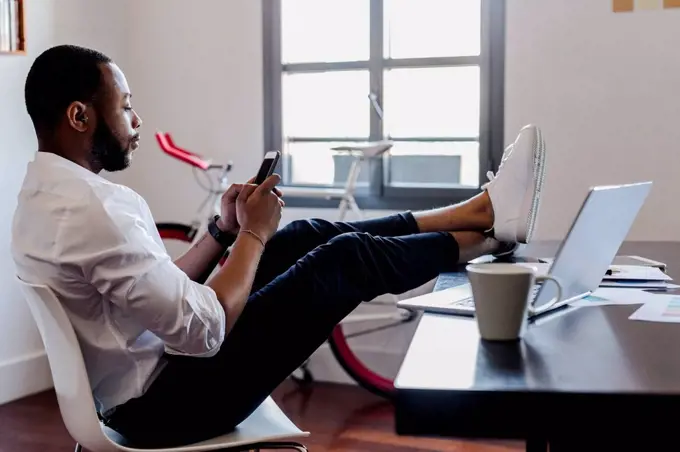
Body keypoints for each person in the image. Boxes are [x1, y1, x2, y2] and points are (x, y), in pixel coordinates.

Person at [11, 45, 546, 447]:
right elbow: (204, 329)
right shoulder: (95, 209)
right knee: (340, 260)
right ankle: (485, 235)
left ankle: (480, 213)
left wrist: (223, 232)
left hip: (151, 385)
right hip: (166, 407)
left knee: (305, 236)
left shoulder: (45, 197)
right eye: (125, 107)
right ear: (80, 116)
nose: (137, 121)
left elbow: (164, 295)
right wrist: (252, 233)